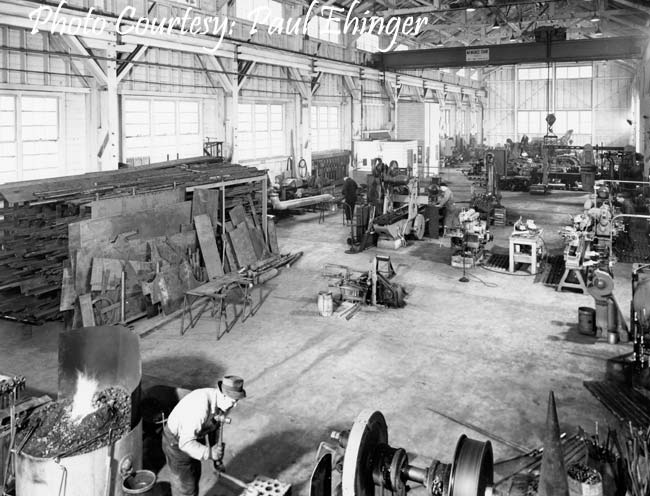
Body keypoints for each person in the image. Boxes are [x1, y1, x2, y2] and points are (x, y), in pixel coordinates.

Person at [162, 376, 246, 496]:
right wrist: (210, 453)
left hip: (195, 436)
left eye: (236, 401)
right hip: (177, 442)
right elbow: (185, 443)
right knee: (185, 486)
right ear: (223, 395)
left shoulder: (222, 403)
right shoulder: (200, 407)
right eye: (233, 401)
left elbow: (215, 427)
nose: (235, 405)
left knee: (195, 473)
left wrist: (216, 456)